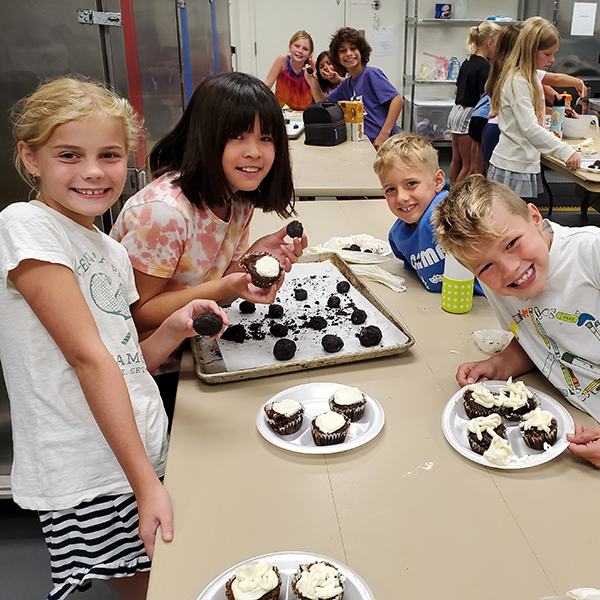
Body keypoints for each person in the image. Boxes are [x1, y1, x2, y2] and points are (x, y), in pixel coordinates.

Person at [0, 76, 230, 599]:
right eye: (68, 154)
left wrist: (175, 324)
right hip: (91, 467)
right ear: (30, 158)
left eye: (109, 154)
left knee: (165, 574)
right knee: (147, 587)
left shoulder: (108, 250)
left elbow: (129, 359)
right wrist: (145, 483)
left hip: (140, 444)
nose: (92, 171)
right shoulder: (25, 226)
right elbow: (88, 360)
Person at [111, 71, 306, 424]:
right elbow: (135, 314)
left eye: (265, 137)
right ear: (205, 137)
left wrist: (253, 259)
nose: (254, 152)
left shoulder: (239, 200)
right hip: (143, 375)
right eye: (237, 136)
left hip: (196, 350)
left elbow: (220, 285)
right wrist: (224, 287)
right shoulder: (164, 214)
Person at [433, 175, 600, 468]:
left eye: (511, 243)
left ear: (534, 217)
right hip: (580, 421)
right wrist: (500, 365)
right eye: (486, 266)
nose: (510, 270)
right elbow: (539, 336)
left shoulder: (591, 254)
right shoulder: (498, 285)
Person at [373, 132, 483, 294]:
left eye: (411, 183)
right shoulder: (397, 237)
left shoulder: (454, 214)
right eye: (391, 189)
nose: (402, 197)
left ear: (438, 181)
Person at [488, 16, 581, 199]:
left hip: (521, 163)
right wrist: (565, 151)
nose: (552, 60)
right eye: (547, 54)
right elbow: (529, 127)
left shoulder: (529, 77)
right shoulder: (518, 80)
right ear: (531, 50)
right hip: (512, 166)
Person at [306, 27, 404, 150]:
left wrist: (384, 134)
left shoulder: (371, 74)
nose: (348, 54)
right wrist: (313, 83)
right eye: (342, 50)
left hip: (386, 144)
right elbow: (324, 104)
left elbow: (397, 100)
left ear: (361, 51)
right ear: (337, 58)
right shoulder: (347, 84)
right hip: (367, 145)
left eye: (353, 48)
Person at [447, 20, 500, 183]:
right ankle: (455, 199)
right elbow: (484, 95)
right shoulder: (484, 66)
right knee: (469, 166)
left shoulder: (467, 61)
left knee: (456, 160)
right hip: (469, 114)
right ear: (490, 43)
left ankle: (450, 194)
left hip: (456, 112)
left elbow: (457, 89)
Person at [264, 30, 315, 110]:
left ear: (310, 53)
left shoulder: (312, 66)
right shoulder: (282, 60)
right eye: (297, 46)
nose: (300, 51)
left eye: (305, 49)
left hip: (305, 111)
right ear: (290, 47)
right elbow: (267, 86)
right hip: (281, 110)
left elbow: (318, 90)